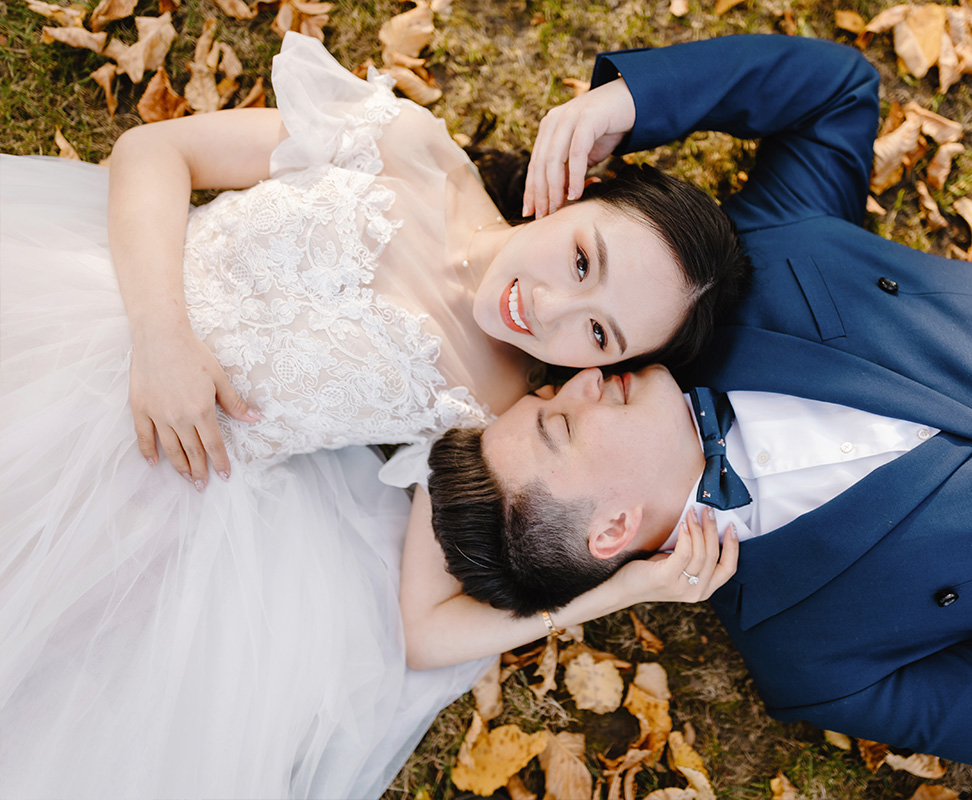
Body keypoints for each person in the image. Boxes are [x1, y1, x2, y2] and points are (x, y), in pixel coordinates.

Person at [0, 32, 747, 798]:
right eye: (584, 260)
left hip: (168, 486)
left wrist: (619, 593)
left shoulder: (491, 404)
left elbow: (425, 633)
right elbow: (156, 152)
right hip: (88, 307)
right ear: (577, 194)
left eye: (597, 333)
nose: (549, 307)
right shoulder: (405, 144)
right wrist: (160, 338)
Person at [427, 34, 972, 774]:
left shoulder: (740, 277)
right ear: (613, 530)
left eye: (554, 386)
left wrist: (628, 103)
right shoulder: (808, 655)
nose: (586, 378)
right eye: (561, 422)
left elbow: (835, 94)